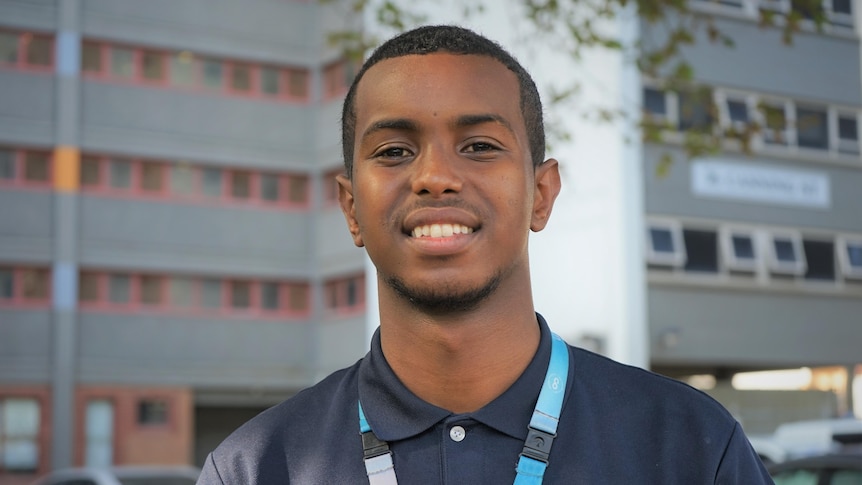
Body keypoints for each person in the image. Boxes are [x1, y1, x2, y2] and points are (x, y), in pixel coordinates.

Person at [197, 25, 772, 484]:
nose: (436, 176)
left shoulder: (690, 445)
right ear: (351, 208)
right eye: (394, 150)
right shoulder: (255, 467)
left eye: (479, 146)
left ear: (540, 195)